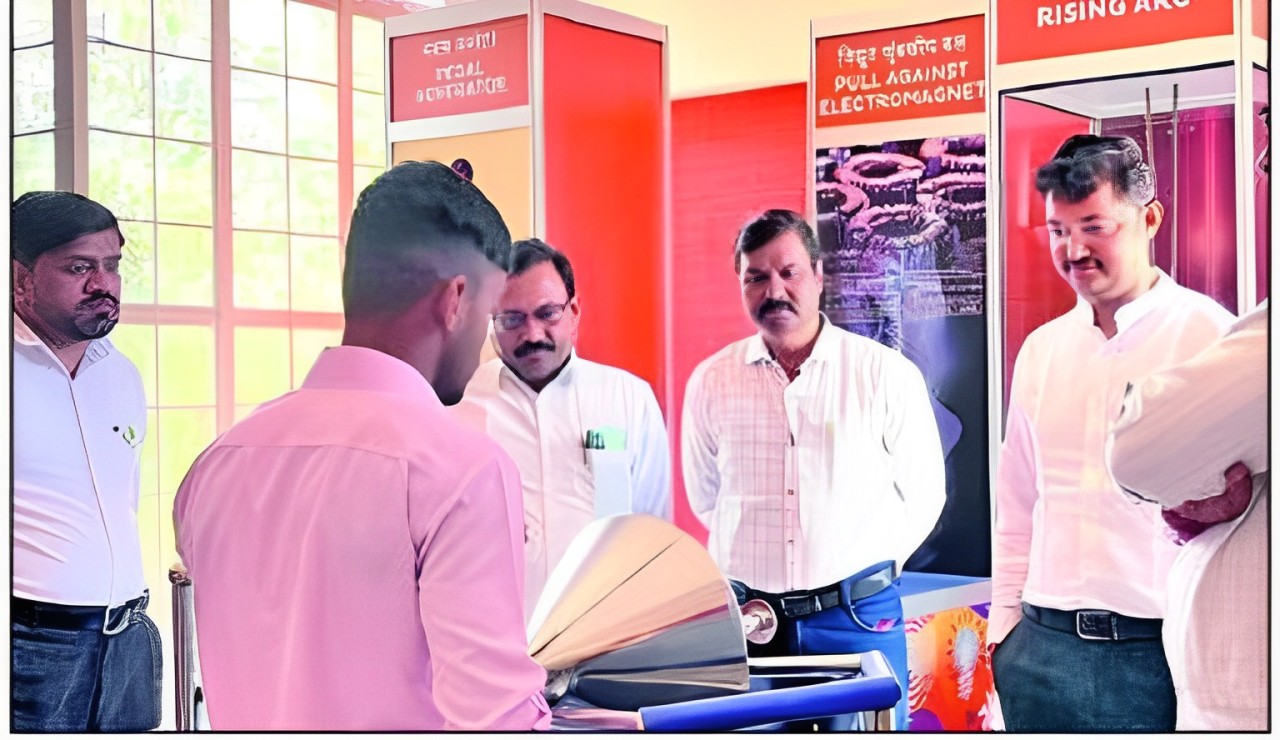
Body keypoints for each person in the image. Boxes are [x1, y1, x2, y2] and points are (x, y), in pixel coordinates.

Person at [173, 161, 552, 730]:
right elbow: (496, 718)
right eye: (491, 314)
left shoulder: (216, 463)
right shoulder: (462, 469)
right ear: (455, 299)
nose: (486, 345)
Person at [989, 134, 1235, 732]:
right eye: (1058, 230)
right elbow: (1018, 501)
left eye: (1094, 227)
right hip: (1040, 647)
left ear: (1149, 219)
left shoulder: (1212, 339)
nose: (1073, 250)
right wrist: (1004, 632)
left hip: (1162, 651)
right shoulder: (1043, 349)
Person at [682, 209, 945, 730]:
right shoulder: (711, 380)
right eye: (756, 277)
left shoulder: (883, 374)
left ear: (819, 275)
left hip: (857, 618)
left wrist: (861, 569)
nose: (774, 291)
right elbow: (706, 497)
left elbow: (924, 495)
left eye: (789, 272)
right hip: (750, 624)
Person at [454, 238, 672, 619]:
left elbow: (652, 531)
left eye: (547, 313)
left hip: (605, 632)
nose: (533, 334)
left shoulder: (627, 398)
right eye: (512, 319)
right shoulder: (460, 405)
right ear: (492, 322)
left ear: (573, 311)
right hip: (497, 633)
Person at [11, 191, 161, 732]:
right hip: (30, 646)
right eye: (79, 268)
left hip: (131, 638)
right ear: (21, 279)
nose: (104, 284)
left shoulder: (120, 372)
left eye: (112, 265)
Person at [1108, 301, 1268, 731]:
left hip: (1244, 697)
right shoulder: (1043, 347)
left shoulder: (1200, 319)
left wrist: (1189, 489)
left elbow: (1141, 450)